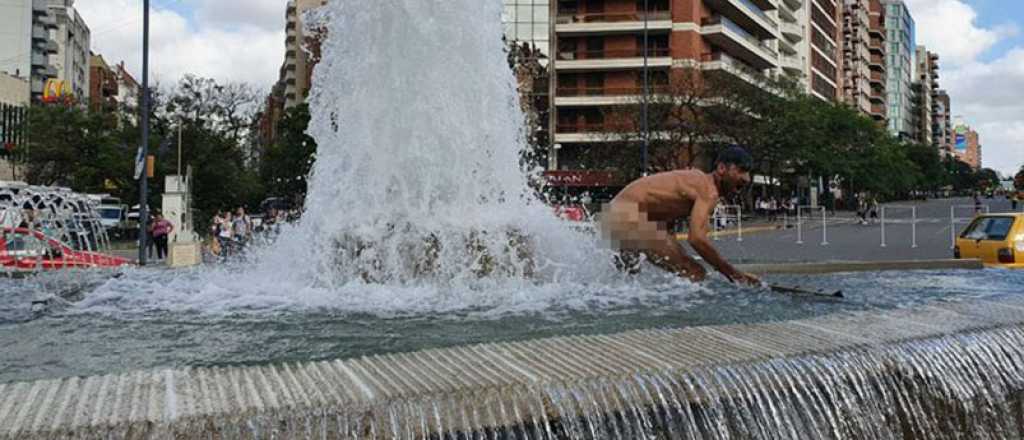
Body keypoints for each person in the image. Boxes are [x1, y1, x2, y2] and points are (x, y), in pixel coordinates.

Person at [598, 146, 761, 286]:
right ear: (721, 168)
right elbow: (697, 240)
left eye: (748, 173)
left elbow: (661, 211)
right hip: (626, 214)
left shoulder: (696, 182)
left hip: (614, 214)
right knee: (694, 272)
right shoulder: (708, 189)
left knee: (628, 278)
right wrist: (733, 274)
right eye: (741, 170)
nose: (746, 178)